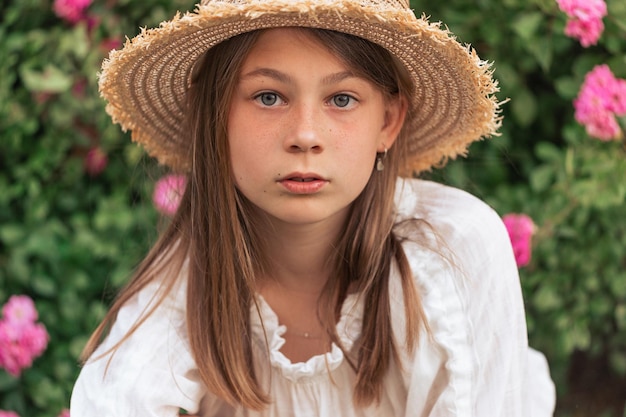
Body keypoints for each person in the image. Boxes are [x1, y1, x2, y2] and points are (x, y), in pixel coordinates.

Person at [71, 0, 556, 415]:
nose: (305, 135)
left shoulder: (450, 251)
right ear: (215, 115)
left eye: (341, 99)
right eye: (268, 96)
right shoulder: (186, 282)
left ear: (388, 121)